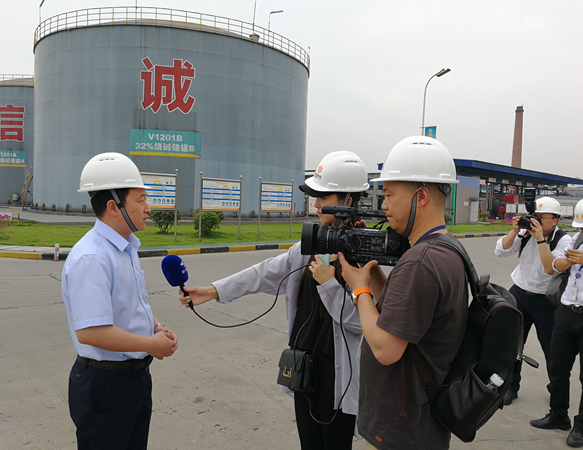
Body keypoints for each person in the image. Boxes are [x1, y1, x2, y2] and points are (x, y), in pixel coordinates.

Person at [180, 151, 383, 450]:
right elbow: (264, 273)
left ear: (348, 201)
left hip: (337, 375)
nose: (315, 204)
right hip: (303, 367)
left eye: (323, 196)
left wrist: (329, 284)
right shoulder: (311, 244)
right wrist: (213, 291)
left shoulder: (366, 253)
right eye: (315, 196)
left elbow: (361, 323)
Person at [337, 136, 469, 450]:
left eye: (389, 195)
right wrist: (371, 271)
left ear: (421, 197)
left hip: (400, 431)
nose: (383, 206)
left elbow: (386, 349)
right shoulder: (445, 248)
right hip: (418, 423)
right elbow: (404, 314)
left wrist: (359, 289)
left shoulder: (421, 261)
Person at [62, 152, 179, 450]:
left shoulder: (125, 247)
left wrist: (156, 327)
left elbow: (132, 303)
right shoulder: (92, 257)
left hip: (134, 379)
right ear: (113, 206)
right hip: (105, 385)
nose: (148, 208)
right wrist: (150, 344)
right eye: (140, 200)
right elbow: (91, 332)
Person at [495, 196, 571, 405]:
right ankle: (511, 386)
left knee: (552, 348)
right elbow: (500, 251)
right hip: (519, 293)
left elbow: (551, 267)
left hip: (545, 300)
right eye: (534, 216)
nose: (535, 221)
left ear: (555, 220)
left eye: (541, 217)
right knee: (512, 344)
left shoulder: (563, 240)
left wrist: (540, 239)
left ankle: (556, 387)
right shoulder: (525, 233)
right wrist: (514, 231)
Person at [530, 199, 583, 447]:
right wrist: (571, 261)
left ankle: (581, 427)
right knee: (558, 367)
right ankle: (558, 414)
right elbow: (554, 265)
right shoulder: (576, 239)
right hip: (566, 311)